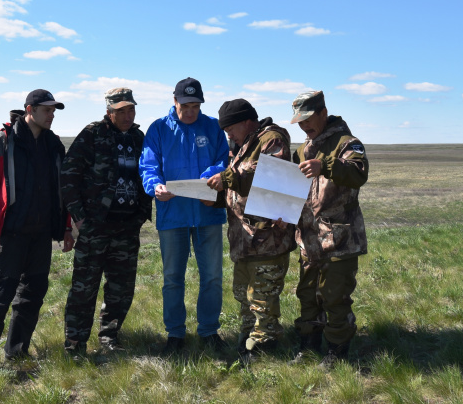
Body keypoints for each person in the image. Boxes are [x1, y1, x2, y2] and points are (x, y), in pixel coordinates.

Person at [0, 89, 74, 378]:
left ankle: (16, 351)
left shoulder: (54, 145)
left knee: (32, 296)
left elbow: (62, 191)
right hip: (10, 236)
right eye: (47, 110)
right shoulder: (5, 140)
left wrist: (66, 227)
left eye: (54, 111)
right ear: (30, 109)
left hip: (41, 236)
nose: (52, 115)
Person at [139, 77, 229, 354]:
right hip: (172, 214)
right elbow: (148, 165)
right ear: (174, 101)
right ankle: (175, 334)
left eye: (196, 106)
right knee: (172, 277)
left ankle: (209, 331)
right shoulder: (158, 129)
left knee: (212, 276)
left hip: (207, 213)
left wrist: (208, 178)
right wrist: (155, 186)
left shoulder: (213, 127)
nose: (190, 111)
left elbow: (223, 160)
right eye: (185, 105)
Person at [61, 88, 152, 358]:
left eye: (131, 110)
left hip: (127, 227)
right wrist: (78, 217)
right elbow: (68, 174)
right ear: (109, 111)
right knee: (84, 287)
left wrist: (141, 214)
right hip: (95, 226)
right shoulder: (93, 134)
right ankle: (75, 344)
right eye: (121, 111)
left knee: (121, 288)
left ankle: (109, 336)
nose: (127, 115)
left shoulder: (138, 138)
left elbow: (148, 174)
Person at [206, 99, 296, 363]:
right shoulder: (243, 144)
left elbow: (270, 175)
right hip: (245, 239)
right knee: (244, 295)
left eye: (230, 128)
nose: (228, 135)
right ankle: (247, 341)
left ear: (247, 121)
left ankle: (264, 348)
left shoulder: (272, 139)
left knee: (262, 297)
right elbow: (237, 187)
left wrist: (228, 178)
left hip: (267, 239)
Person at [289, 90, 368, 369]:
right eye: (300, 122)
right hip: (308, 238)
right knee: (308, 293)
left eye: (309, 119)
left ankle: (337, 350)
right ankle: (308, 345)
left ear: (323, 112)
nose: (304, 126)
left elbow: (359, 173)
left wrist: (326, 165)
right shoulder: (302, 149)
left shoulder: (348, 143)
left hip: (339, 238)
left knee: (335, 296)